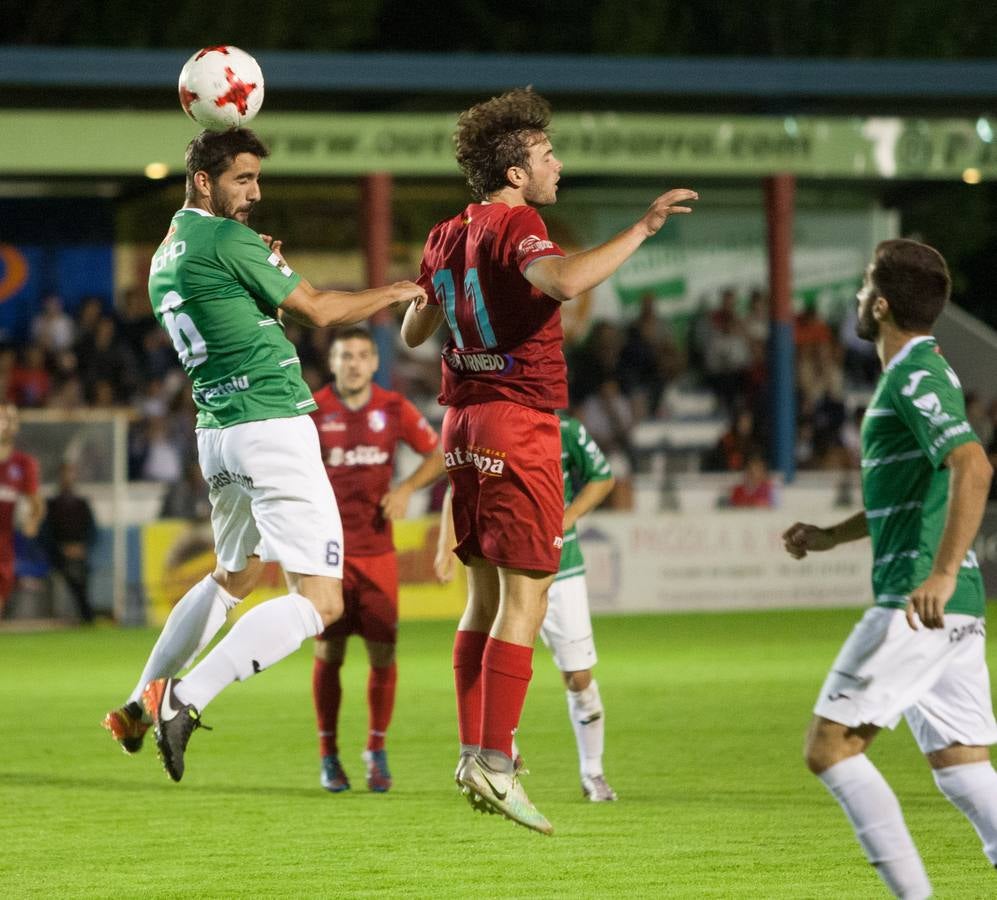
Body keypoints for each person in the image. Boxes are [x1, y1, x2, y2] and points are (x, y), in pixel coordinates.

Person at [401, 85, 697, 833]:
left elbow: (412, 331)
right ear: (512, 171)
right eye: (544, 155)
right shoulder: (517, 223)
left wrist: (438, 292)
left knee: (481, 602)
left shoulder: (445, 233)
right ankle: (494, 762)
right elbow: (561, 282)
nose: (555, 165)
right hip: (516, 421)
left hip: (461, 426)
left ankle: (475, 748)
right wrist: (643, 228)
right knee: (528, 600)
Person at [101, 127, 426, 782]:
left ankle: (139, 704)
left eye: (256, 179)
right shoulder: (225, 239)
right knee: (322, 603)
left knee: (235, 576)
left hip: (218, 432)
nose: (254, 193)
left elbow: (230, 307)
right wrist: (396, 291)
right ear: (204, 181)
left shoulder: (170, 249)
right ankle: (182, 699)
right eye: (242, 179)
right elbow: (318, 309)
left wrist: (254, 269)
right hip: (272, 425)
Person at [782, 239, 996, 899]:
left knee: (829, 749)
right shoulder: (915, 373)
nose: (853, 297)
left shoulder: (912, 374)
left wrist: (935, 573)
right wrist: (829, 536)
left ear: (878, 304)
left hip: (918, 602)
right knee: (961, 767)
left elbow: (971, 466)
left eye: (861, 287)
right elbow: (905, 496)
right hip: (951, 608)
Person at [435, 413, 617, 802]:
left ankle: (593, 771)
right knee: (495, 651)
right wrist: (444, 544)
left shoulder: (563, 430)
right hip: (508, 565)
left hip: (560, 568)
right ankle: (497, 753)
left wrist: (564, 518)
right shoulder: (497, 425)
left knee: (578, 677)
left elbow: (603, 476)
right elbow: (463, 484)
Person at [310, 326, 444, 794]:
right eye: (345, 355)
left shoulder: (392, 407)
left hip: (377, 553)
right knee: (329, 651)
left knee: (383, 653)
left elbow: (440, 452)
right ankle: (328, 755)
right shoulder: (311, 412)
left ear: (373, 363)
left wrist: (406, 489)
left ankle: (376, 748)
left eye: (362, 355)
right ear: (332, 362)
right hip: (326, 557)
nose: (353, 363)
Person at [40, 460, 97, 623]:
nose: (68, 477)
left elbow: (92, 531)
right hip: (58, 555)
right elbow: (45, 534)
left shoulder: (82, 504)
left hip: (80, 553)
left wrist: (82, 547)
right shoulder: (51, 505)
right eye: (65, 473)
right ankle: (86, 615)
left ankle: (85, 615)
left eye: (71, 473)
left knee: (80, 573)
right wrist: (62, 549)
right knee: (72, 574)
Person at [0, 404, 43, 617]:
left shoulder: (24, 464)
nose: (7, 425)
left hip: (4, 546)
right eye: (3, 419)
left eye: (12, 420)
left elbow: (36, 505)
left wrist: (31, 522)